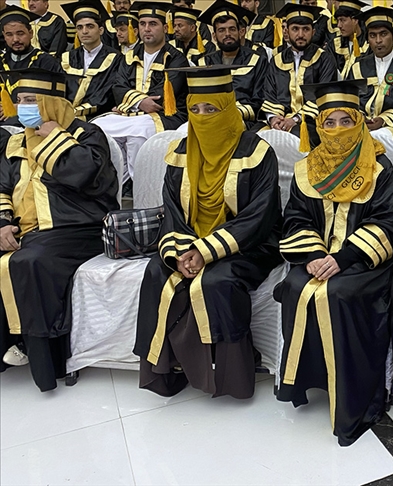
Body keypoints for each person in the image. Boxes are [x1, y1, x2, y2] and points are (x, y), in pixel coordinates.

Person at [134, 66, 282, 400]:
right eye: (195, 110)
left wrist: (205, 251)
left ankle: (228, 378)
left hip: (249, 244)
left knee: (217, 280)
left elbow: (259, 217)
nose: (202, 117)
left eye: (211, 109)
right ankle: (166, 369)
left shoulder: (257, 152)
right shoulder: (180, 152)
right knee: (157, 271)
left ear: (228, 108)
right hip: (189, 239)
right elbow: (172, 210)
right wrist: (182, 253)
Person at [276, 79, 393, 446]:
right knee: (296, 286)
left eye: (345, 121)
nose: (336, 129)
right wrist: (316, 255)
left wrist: (343, 258)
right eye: (328, 122)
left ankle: (355, 398)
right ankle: (305, 381)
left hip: (365, 261)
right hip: (318, 257)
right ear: (318, 126)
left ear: (359, 121)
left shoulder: (379, 167)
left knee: (339, 293)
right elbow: (296, 218)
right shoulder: (308, 168)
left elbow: (387, 224)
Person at [0, 68, 119, 391]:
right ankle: (7, 343)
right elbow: (2, 186)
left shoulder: (86, 134)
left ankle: (46, 357)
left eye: (30, 100)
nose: (22, 107)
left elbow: (84, 175)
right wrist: (3, 222)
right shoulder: (15, 140)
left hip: (78, 228)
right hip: (28, 229)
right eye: (20, 100)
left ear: (51, 102)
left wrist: (54, 137)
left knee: (30, 261)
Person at [92, 1, 189, 188]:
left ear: (165, 28)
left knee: (138, 134)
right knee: (98, 126)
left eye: (153, 24)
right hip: (132, 114)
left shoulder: (176, 58)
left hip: (165, 116)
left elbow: (159, 98)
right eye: (142, 24)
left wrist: (129, 103)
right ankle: (115, 185)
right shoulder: (129, 56)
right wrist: (138, 103)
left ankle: (141, 187)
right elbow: (118, 86)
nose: (147, 29)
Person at [261, 2, 337, 146]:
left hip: (311, 121)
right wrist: (274, 118)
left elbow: (324, 95)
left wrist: (295, 119)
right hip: (280, 121)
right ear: (286, 31)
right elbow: (269, 93)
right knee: (255, 137)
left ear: (313, 32)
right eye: (295, 29)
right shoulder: (277, 60)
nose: (300, 35)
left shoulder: (324, 58)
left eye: (306, 29)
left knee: (295, 138)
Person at [346, 7, 393, 135]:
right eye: (372, 35)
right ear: (368, 39)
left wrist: (383, 120)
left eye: (383, 34)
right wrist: (360, 118)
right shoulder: (358, 67)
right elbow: (350, 100)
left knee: (377, 136)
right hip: (361, 124)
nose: (378, 40)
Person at [1, 5, 63, 124]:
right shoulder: (1, 61)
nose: (15, 39)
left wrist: (21, 108)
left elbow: (57, 100)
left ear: (31, 33)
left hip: (34, 121)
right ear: (4, 36)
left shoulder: (46, 61)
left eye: (20, 33)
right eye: (9, 35)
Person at [60, 0, 121, 120]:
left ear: (101, 30)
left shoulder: (115, 58)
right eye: (80, 27)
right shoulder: (67, 57)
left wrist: (75, 112)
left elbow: (107, 93)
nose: (84, 31)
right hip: (64, 114)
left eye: (90, 26)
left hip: (98, 116)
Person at [328, 0, 368, 79]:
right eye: (338, 21)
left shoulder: (368, 44)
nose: (339, 25)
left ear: (355, 20)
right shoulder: (334, 45)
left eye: (343, 20)